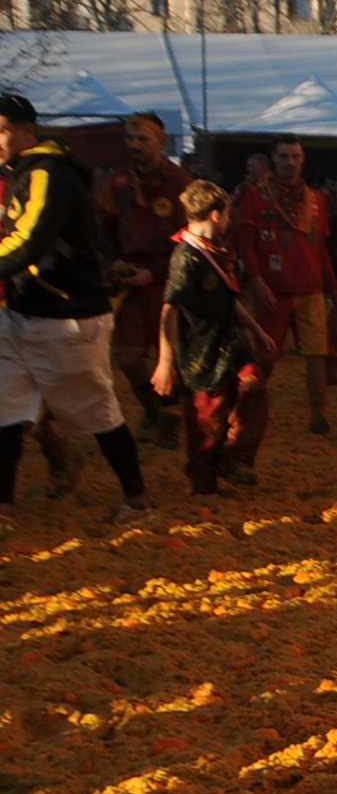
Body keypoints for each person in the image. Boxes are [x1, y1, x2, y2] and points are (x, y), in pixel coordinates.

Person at [0, 92, 154, 528]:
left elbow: (31, 239)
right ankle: (3, 509)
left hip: (67, 314)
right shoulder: (21, 172)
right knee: (5, 409)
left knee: (98, 412)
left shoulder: (48, 173)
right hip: (22, 309)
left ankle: (138, 500)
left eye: (2, 131)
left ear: (27, 130)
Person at [152, 179, 271, 494]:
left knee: (253, 387)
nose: (229, 220)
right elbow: (170, 309)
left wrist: (257, 330)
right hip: (200, 351)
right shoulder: (185, 257)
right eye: (228, 214)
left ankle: (235, 459)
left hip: (232, 343)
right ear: (216, 215)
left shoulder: (219, 251)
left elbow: (230, 298)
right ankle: (203, 483)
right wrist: (165, 361)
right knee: (207, 419)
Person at [234, 134, 337, 436]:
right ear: (273, 158)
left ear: (303, 158)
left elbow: (320, 249)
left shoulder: (316, 199)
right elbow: (246, 244)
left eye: (295, 156)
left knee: (316, 353)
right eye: (284, 156)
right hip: (274, 290)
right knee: (266, 355)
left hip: (311, 288)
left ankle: (318, 414)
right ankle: (248, 412)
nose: (290, 162)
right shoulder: (255, 197)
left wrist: (334, 288)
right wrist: (256, 280)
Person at [97, 110, 193, 448]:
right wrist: (114, 260)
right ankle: (153, 408)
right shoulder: (118, 182)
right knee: (128, 357)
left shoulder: (180, 183)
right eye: (130, 138)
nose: (134, 145)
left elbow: (190, 239)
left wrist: (154, 271)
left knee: (171, 355)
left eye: (142, 139)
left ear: (160, 142)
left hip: (169, 281)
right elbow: (104, 228)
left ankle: (171, 415)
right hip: (130, 281)